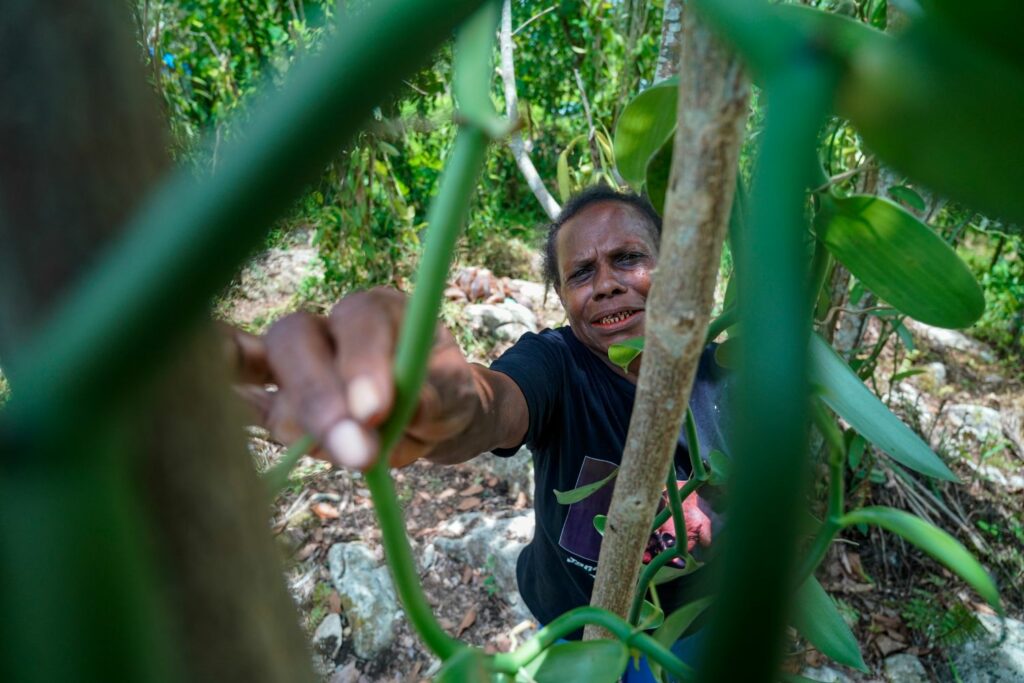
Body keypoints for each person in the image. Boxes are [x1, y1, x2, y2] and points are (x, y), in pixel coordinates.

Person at [230, 186, 731, 679]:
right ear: (561, 296)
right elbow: (493, 403)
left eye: (627, 258)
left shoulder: (728, 378)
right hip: (568, 625)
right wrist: (437, 400)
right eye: (581, 272)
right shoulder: (556, 363)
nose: (604, 285)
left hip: (688, 630)